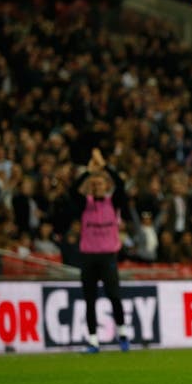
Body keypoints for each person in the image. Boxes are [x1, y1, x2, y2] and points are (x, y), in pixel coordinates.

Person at [70, 148, 129, 353]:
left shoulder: (114, 203)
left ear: (106, 186)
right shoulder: (83, 204)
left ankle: (122, 333)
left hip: (108, 256)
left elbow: (121, 185)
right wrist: (88, 171)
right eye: (93, 184)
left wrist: (104, 167)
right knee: (90, 299)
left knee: (114, 295)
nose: (96, 187)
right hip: (88, 256)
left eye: (100, 183)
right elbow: (72, 190)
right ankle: (93, 340)